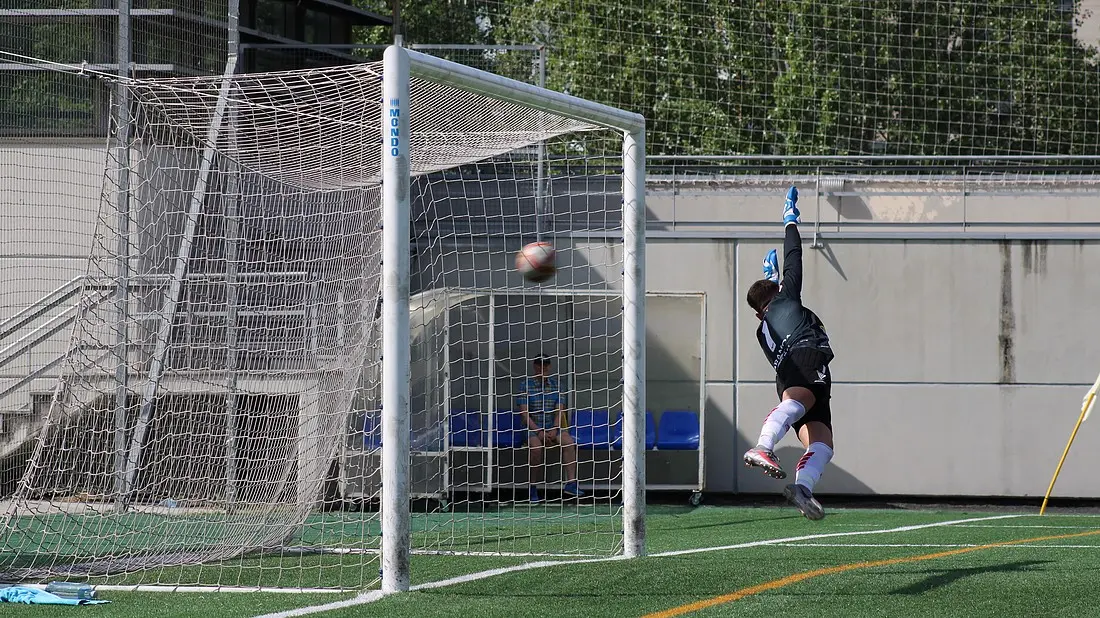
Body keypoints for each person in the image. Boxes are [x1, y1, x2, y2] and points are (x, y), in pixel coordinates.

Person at [742, 186, 835, 521]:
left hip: (790, 373)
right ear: (780, 290)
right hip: (807, 360)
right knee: (795, 405)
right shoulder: (786, 298)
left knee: (822, 442)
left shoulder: (761, 328)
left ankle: (803, 488)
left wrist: (771, 279)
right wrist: (790, 220)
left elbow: (774, 313)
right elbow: (794, 255)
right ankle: (763, 446)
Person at [516, 356, 583, 503]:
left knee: (569, 443)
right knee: (536, 448)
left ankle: (571, 483)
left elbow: (560, 411)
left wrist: (555, 428)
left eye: (545, 365)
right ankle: (532, 486)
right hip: (532, 427)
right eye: (539, 365)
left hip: (552, 426)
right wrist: (539, 431)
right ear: (535, 367)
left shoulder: (557, 385)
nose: (542, 368)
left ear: (549, 367)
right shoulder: (525, 385)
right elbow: (525, 415)